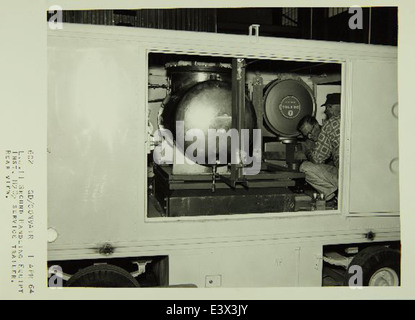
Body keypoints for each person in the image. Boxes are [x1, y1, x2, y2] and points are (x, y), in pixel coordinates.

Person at [297, 93, 341, 201]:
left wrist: (308, 153)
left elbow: (317, 159)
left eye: (329, 107)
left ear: (317, 125)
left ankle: (332, 194)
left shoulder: (330, 125)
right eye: (307, 135)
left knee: (305, 167)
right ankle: (334, 196)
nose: (326, 111)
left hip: (344, 177)